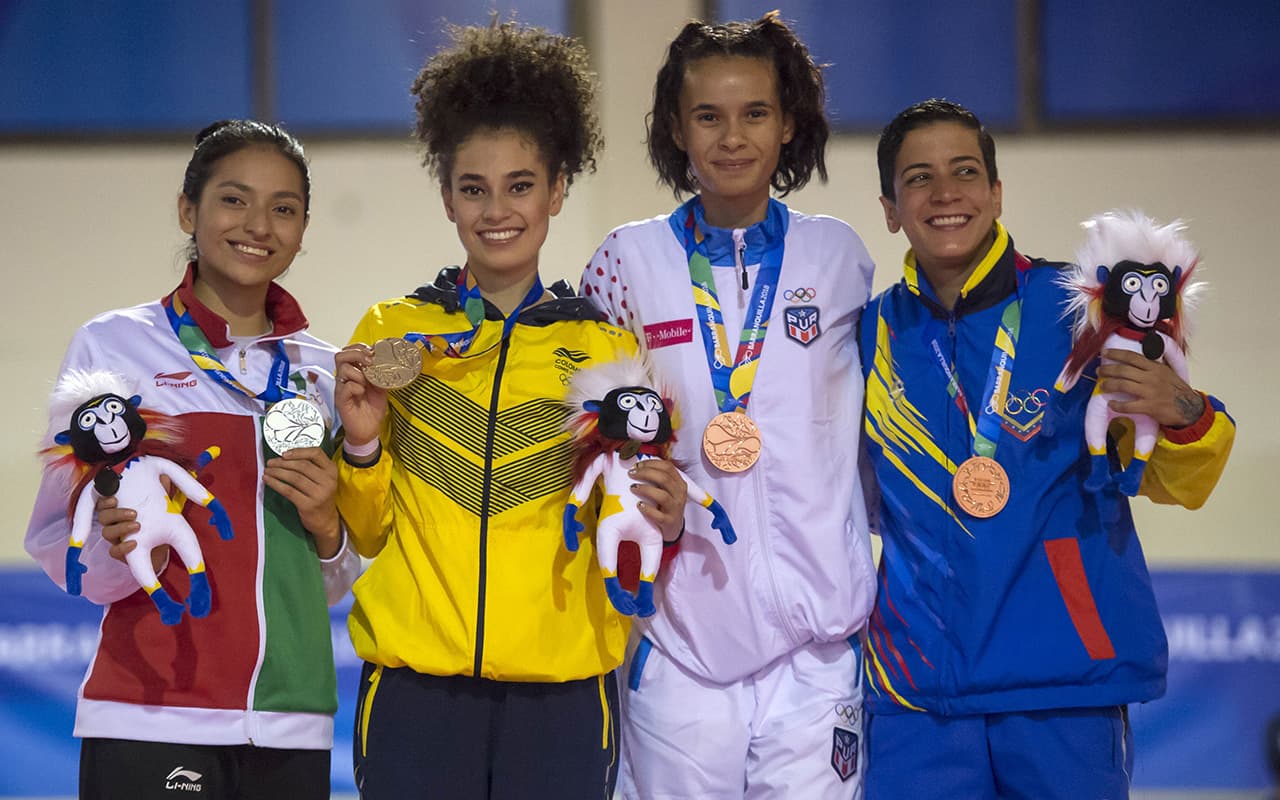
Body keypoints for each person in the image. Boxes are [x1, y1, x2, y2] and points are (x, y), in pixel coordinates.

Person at [332, 21, 686, 799]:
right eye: (474, 188)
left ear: (558, 189)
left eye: (521, 185)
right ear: (448, 196)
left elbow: (630, 513)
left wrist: (666, 514)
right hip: (414, 694)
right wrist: (359, 449)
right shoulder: (393, 333)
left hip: (562, 697)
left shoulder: (605, 350)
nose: (498, 209)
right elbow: (363, 530)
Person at [860, 98, 1236, 799]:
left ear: (997, 192)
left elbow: (1178, 478)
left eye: (965, 171)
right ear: (890, 207)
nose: (945, 193)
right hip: (916, 693)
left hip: (1061, 681)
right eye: (919, 178)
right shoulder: (869, 331)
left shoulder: (1082, 311)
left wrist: (1184, 412)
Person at [579, 12, 877, 798]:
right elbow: (591, 435)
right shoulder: (625, 262)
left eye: (755, 113)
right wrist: (638, 498)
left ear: (788, 126)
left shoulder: (838, 257)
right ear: (676, 128)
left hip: (815, 651)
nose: (731, 137)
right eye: (708, 115)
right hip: (679, 646)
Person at [25, 119, 361, 799]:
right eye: (234, 199)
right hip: (151, 709)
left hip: (290, 717)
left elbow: (330, 583)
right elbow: (59, 542)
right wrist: (114, 553)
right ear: (189, 208)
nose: (259, 225)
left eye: (284, 208)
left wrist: (328, 526)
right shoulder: (114, 348)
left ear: (302, 228)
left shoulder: (322, 375)